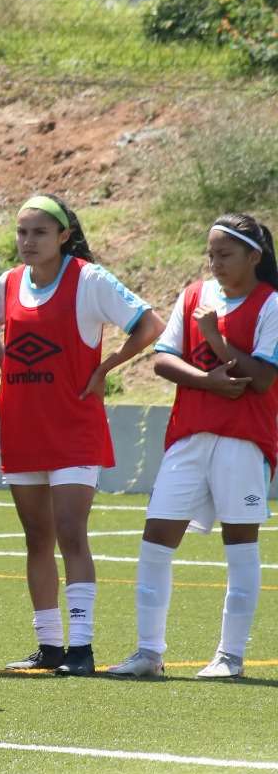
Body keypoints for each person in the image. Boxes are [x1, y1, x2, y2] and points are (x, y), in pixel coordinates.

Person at [0, 194, 163, 677]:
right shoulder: (10, 283)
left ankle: (81, 647)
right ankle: (50, 646)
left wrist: (107, 367)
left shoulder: (88, 279)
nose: (28, 241)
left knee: (69, 531)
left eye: (39, 232)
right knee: (35, 536)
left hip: (73, 427)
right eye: (21, 232)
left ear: (63, 235)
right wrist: (7, 365)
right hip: (22, 426)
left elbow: (148, 325)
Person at [110, 214, 278, 680]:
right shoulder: (194, 296)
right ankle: (148, 653)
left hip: (244, 442)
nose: (216, 262)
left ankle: (230, 656)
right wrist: (209, 380)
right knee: (156, 539)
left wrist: (215, 341)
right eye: (211, 254)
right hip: (188, 437)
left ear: (254, 257)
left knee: (240, 544)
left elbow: (262, 379)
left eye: (226, 254)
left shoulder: (271, 304)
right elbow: (163, 359)